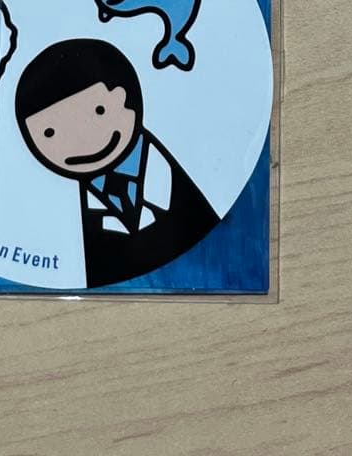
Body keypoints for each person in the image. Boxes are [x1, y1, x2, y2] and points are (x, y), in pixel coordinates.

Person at [15, 38, 218, 288]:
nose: (83, 141)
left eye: (99, 111)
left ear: (125, 98)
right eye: (50, 133)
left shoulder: (181, 186)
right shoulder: (71, 220)